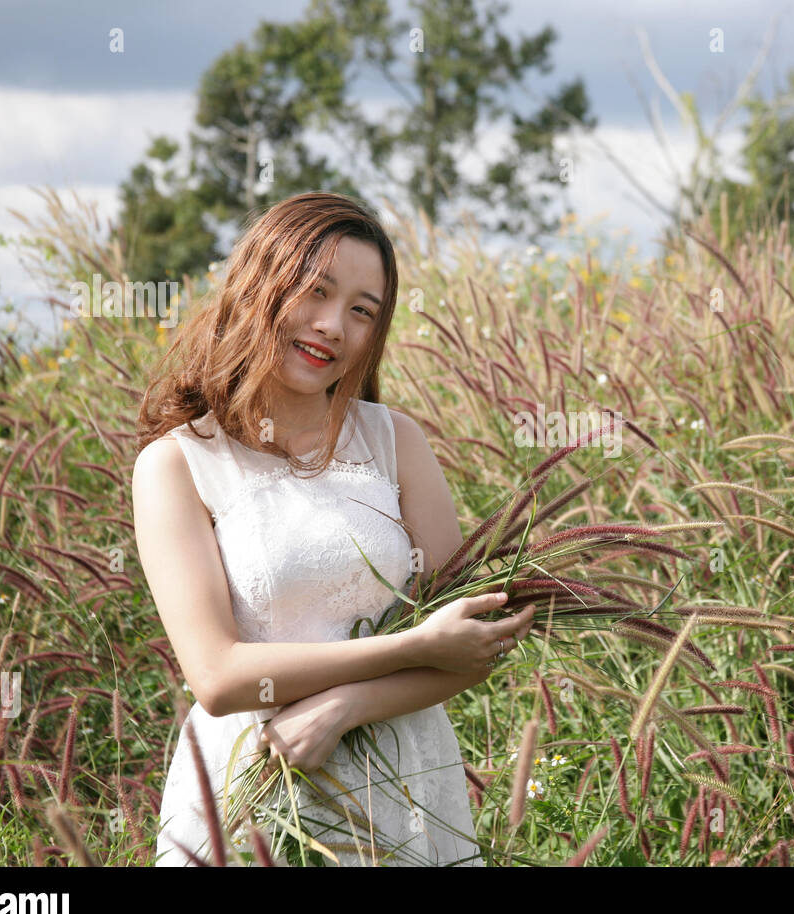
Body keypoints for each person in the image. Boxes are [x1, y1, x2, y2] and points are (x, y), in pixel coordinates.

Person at [131, 192, 535, 866]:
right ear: (260, 285)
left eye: (361, 311)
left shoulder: (394, 441)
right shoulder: (178, 465)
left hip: (405, 785)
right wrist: (411, 648)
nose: (331, 326)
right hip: (254, 787)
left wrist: (347, 706)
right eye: (314, 291)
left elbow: (467, 645)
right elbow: (219, 676)